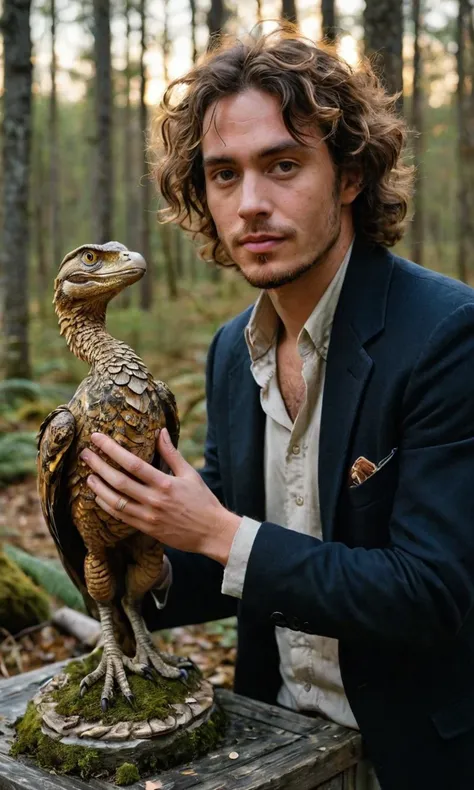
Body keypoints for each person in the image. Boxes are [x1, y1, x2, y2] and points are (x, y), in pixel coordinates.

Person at [79, 28, 474, 790]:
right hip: (274, 747)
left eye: (283, 165)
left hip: (416, 758)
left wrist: (219, 533)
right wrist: (145, 552)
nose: (251, 203)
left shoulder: (446, 336)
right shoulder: (234, 352)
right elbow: (223, 558)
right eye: (223, 175)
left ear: (350, 175)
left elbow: (431, 595)